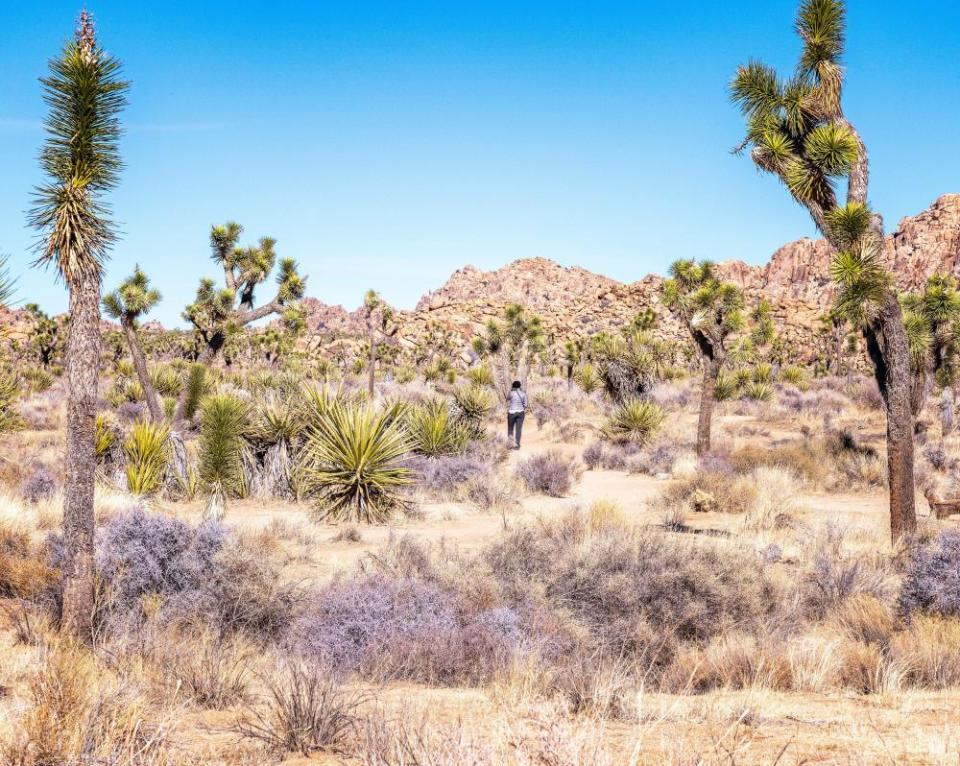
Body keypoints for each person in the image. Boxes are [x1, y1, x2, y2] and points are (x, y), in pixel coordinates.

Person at [506, 380, 528, 449]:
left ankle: (510, 444)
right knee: (518, 429)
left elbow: (507, 399)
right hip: (520, 412)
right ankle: (517, 445)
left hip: (511, 412)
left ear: (513, 386)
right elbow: (526, 405)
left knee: (510, 429)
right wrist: (522, 407)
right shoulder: (523, 394)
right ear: (519, 386)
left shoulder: (511, 393)